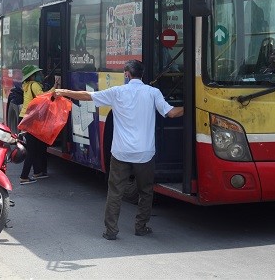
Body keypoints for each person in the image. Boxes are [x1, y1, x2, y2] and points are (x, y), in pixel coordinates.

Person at [55, 59, 183, 239]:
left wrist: (64, 92)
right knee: (146, 191)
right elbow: (171, 113)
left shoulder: (117, 92)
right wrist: (192, 107)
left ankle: (111, 230)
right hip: (145, 153)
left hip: (121, 152)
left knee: (115, 191)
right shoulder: (153, 92)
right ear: (142, 74)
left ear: (127, 74)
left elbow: (87, 96)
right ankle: (141, 226)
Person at [18, 64, 60, 185]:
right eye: (38, 74)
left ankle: (38, 172)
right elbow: (44, 97)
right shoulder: (34, 85)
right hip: (31, 119)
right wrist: (55, 86)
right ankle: (24, 176)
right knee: (31, 149)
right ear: (32, 76)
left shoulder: (27, 85)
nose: (40, 75)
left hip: (26, 117)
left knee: (37, 146)